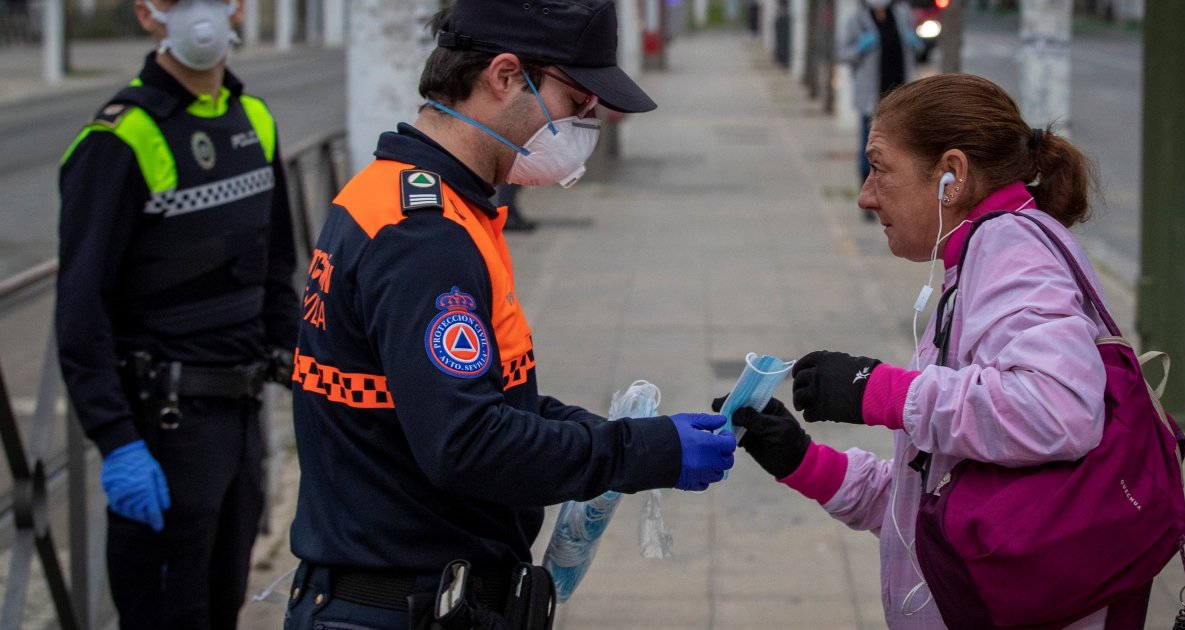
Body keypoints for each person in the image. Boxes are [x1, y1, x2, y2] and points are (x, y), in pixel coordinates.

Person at [283, 0, 736, 628]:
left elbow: (490, 403)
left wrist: (629, 435)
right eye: (576, 101)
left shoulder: (426, 204)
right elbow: (467, 443)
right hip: (395, 605)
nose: (583, 123)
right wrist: (638, 451)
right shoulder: (425, 237)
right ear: (502, 76)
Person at [725, 74, 1152, 628]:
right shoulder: (985, 251)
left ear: (952, 174)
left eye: (879, 168)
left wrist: (878, 391)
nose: (865, 194)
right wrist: (805, 463)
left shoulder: (1010, 249)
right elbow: (931, 500)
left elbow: (1058, 410)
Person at [55, 0, 299, 628]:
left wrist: (312, 371)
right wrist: (116, 442)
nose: (202, 13)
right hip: (162, 431)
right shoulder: (118, 138)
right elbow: (81, 310)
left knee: (222, 605)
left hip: (242, 425)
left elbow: (275, 275)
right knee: (167, 613)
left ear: (239, 8)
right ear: (147, 14)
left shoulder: (256, 118)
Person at [838, 0, 922, 221]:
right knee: (870, 150)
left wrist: (914, 42)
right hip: (872, 99)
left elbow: (917, 46)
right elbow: (844, 53)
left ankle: (901, 200)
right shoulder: (858, 19)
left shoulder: (902, 12)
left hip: (901, 98)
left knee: (902, 150)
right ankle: (870, 201)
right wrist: (861, 47)